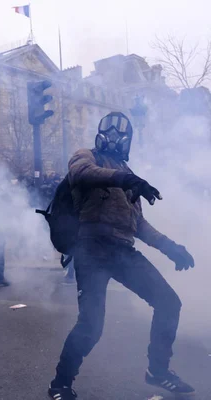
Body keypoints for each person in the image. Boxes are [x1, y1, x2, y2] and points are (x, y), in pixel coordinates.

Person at [48, 112, 196, 400]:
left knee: (169, 302)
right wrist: (127, 179)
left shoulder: (127, 173)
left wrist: (171, 248)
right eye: (109, 131)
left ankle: (158, 371)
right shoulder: (86, 157)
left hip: (122, 251)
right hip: (91, 248)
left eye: (120, 133)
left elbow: (137, 224)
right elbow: (81, 174)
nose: (114, 137)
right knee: (91, 324)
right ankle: (60, 385)